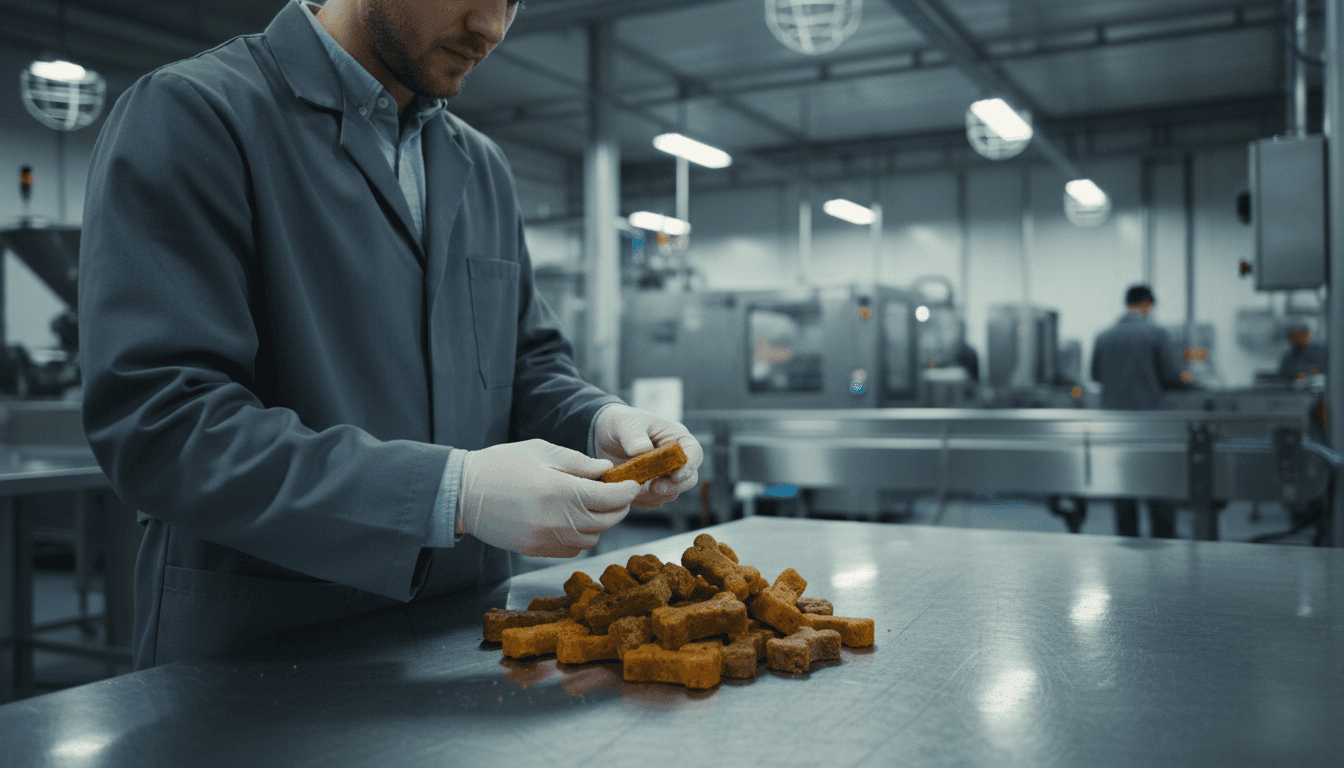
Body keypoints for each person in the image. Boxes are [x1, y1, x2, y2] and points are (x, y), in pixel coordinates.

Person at [79, 0, 703, 669]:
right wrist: (454, 492)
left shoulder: (480, 167)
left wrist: (599, 421)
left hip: (467, 641)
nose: (492, 29)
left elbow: (523, 364)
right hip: (266, 660)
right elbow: (163, 425)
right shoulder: (196, 114)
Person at [1090, 285, 1186, 538]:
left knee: (1122, 486)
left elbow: (1096, 375)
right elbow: (1172, 376)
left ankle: (1126, 545)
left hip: (1114, 425)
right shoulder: (1156, 334)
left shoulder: (1103, 336)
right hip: (1151, 423)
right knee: (1158, 486)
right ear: (1146, 304)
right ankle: (1164, 547)